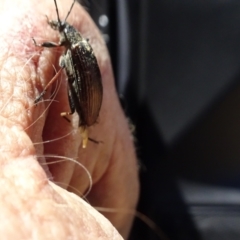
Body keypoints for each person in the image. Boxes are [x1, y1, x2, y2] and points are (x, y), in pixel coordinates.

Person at [0, 0, 139, 239]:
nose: (58, 28)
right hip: (89, 98)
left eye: (61, 29)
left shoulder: (74, 49)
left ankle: (80, 120)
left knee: (71, 87)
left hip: (86, 99)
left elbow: (80, 81)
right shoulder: (76, 45)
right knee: (67, 76)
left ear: (68, 36)